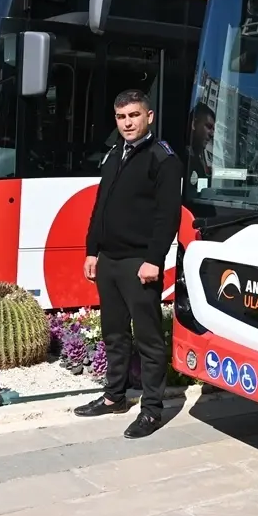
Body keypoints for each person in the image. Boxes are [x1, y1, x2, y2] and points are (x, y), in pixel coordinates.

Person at [75, 89, 183, 439]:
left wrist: (154, 260)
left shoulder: (162, 159)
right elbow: (100, 207)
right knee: (114, 334)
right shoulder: (112, 156)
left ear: (149, 117)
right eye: (121, 117)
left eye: (134, 115)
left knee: (149, 339)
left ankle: (152, 410)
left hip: (140, 264)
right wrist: (93, 251)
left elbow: (168, 217)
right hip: (109, 261)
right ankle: (114, 397)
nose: (127, 123)